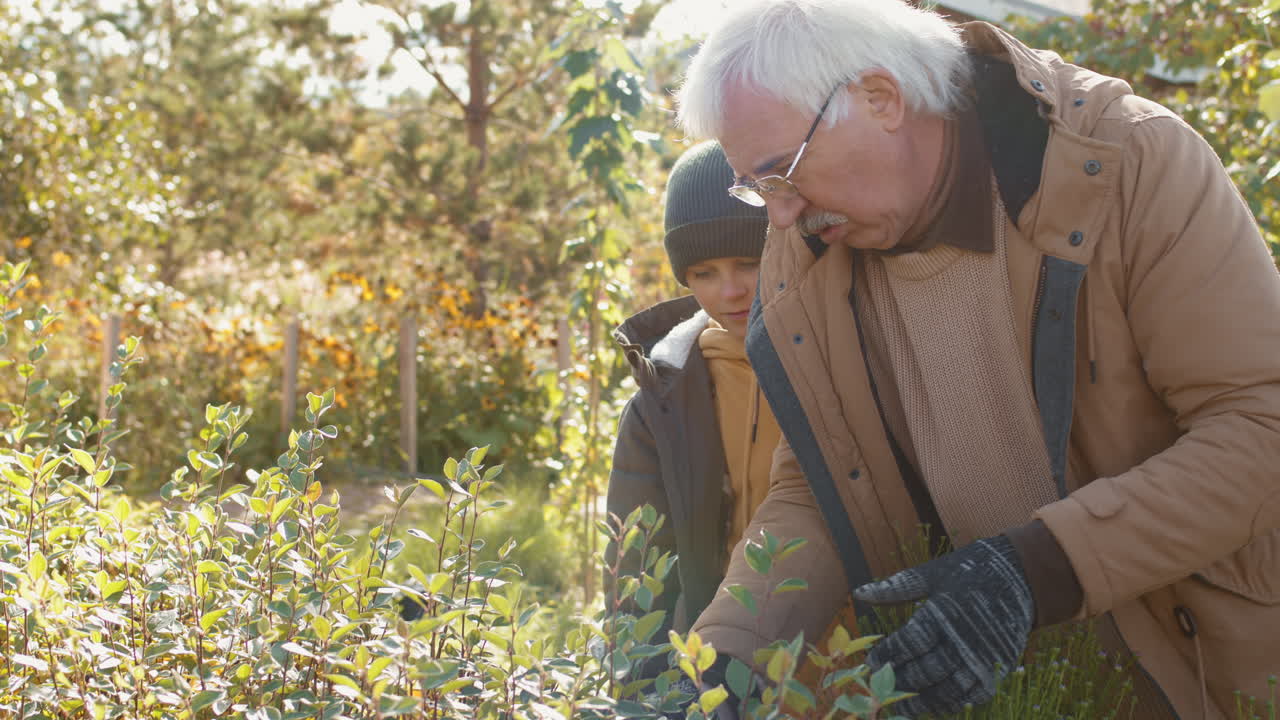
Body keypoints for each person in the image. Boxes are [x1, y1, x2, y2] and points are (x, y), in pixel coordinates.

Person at [672, 0, 1280, 717]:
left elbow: (1259, 425)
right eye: (758, 187)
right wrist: (718, 668)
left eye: (783, 173)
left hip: (1195, 674)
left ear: (881, 98)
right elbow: (816, 482)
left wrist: (1034, 572)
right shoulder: (806, 246)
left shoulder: (1127, 164)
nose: (777, 214)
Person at [605, 140, 780, 676]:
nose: (730, 290)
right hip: (712, 668)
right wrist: (639, 692)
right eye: (703, 273)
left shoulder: (841, 365)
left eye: (749, 262)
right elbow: (635, 573)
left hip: (844, 667)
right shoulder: (662, 401)